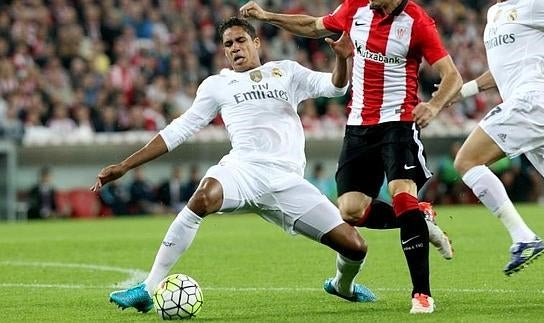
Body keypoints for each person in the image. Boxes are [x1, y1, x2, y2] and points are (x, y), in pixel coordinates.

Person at [90, 17, 376, 314]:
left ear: (256, 42)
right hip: (242, 171)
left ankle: (343, 286)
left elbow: (335, 87)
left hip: (287, 180)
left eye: (240, 41)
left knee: (356, 247)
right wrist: (125, 165)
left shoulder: (286, 72)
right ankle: (148, 289)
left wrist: (342, 60)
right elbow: (179, 130)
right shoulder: (217, 85)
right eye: (228, 44)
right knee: (202, 197)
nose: (235, 48)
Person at [240, 0, 462, 313]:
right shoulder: (357, 7)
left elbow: (452, 76)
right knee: (351, 212)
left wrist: (434, 105)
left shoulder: (417, 22)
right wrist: (267, 16)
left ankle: (421, 295)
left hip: (398, 122)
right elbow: (314, 26)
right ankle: (420, 222)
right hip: (359, 125)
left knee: (402, 197)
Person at [448, 0, 544, 276]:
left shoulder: (536, 3)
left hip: (531, 102)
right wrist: (462, 91)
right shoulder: (494, 12)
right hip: (532, 110)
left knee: (466, 161)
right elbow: (500, 71)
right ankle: (524, 239)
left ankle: (524, 238)